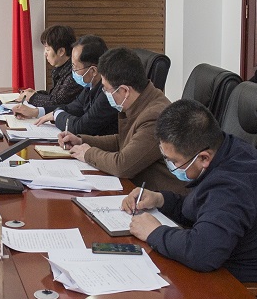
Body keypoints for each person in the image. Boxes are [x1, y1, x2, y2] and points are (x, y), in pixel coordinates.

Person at [124, 100, 257, 299]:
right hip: (229, 276)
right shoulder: (228, 150)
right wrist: (161, 199)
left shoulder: (232, 186)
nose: (170, 166)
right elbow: (201, 211)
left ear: (204, 158)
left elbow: (202, 253)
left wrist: (154, 232)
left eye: (174, 162)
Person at [58, 47, 175, 191]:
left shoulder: (155, 116)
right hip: (135, 187)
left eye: (106, 89)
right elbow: (123, 141)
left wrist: (87, 153)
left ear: (125, 90)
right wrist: (81, 140)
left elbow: (122, 165)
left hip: (156, 196)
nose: (105, 93)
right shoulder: (140, 101)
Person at [40, 35, 118, 137]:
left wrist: (57, 115)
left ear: (93, 71)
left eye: (75, 67)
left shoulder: (108, 93)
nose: (72, 71)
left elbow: (82, 127)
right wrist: (39, 112)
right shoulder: (90, 85)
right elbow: (71, 108)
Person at [11, 24, 83, 118]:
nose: (45, 53)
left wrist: (32, 97)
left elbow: (57, 102)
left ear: (61, 51)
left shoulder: (74, 73)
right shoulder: (61, 69)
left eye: (48, 49)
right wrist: (35, 93)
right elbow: (54, 95)